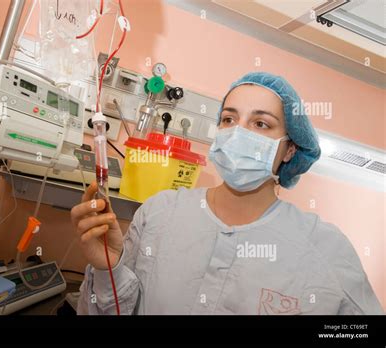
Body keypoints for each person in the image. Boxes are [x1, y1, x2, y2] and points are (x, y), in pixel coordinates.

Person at [71, 72, 383, 315]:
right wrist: (107, 268)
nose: (238, 132)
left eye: (261, 123)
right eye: (229, 119)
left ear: (288, 150)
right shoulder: (160, 213)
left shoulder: (324, 247)